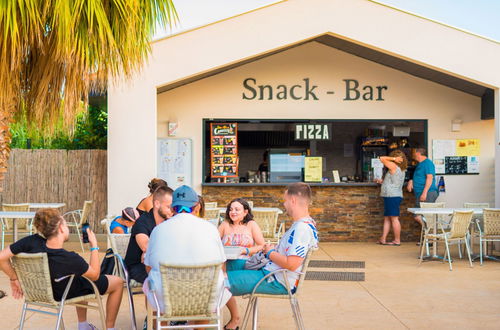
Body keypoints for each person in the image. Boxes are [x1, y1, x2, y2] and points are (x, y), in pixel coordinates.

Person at [0, 209, 124, 330]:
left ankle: (83, 325)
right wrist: (94, 247)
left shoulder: (31, 241)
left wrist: (13, 277)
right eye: (65, 224)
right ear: (60, 228)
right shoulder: (69, 258)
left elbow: (1, 257)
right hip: (62, 293)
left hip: (41, 291)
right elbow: (95, 275)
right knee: (117, 282)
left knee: (79, 277)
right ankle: (110, 328)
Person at [226, 183, 318, 330]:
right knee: (224, 265)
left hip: (274, 279)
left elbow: (292, 264)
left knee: (217, 283)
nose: (284, 204)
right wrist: (272, 250)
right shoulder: (303, 224)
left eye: (285, 200)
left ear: (293, 200)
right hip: (268, 271)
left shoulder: (302, 229)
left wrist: (269, 252)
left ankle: (203, 323)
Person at [143, 185, 228, 317]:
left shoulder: (158, 230)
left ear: (172, 208)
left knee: (150, 280)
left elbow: (149, 266)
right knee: (214, 282)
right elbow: (222, 264)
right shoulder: (211, 229)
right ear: (198, 207)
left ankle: (157, 324)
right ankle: (199, 325)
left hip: (166, 299)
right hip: (206, 298)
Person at [219, 198, 265, 329]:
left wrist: (246, 250)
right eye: (231, 209)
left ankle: (234, 318)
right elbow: (214, 242)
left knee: (223, 286)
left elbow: (261, 245)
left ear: (245, 212)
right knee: (220, 284)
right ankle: (235, 317)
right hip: (226, 264)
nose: (233, 212)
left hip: (246, 265)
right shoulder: (225, 225)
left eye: (237, 209)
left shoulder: (251, 225)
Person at [125, 186, 173, 284]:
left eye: (173, 207)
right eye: (168, 207)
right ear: (157, 204)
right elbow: (146, 247)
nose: (172, 211)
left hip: (160, 263)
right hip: (137, 266)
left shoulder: (170, 221)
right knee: (164, 279)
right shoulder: (142, 222)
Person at [376, 150, 408, 246]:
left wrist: (394, 159)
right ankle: (383, 239)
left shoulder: (394, 166)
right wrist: (383, 182)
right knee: (387, 218)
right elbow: (394, 181)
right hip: (392, 195)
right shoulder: (401, 169)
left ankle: (397, 240)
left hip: (392, 196)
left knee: (394, 218)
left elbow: (381, 158)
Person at [407, 147, 439, 226]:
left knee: (419, 215)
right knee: (420, 215)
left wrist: (424, 193)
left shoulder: (427, 163)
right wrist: (411, 181)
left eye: (414, 153)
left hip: (427, 193)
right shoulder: (421, 164)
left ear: (418, 153)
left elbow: (429, 178)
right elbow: (420, 177)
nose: (413, 155)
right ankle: (428, 233)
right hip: (422, 193)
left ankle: (428, 232)